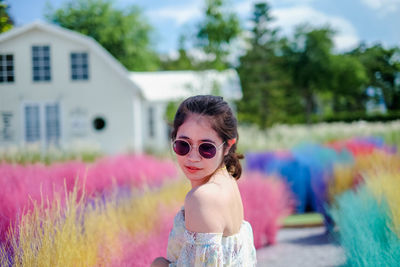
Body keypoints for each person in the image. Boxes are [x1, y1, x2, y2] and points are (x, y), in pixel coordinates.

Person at [151, 95, 257, 267]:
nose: (192, 157)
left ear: (228, 145)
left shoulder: (203, 198)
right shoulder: (227, 183)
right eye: (183, 145)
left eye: (206, 148)